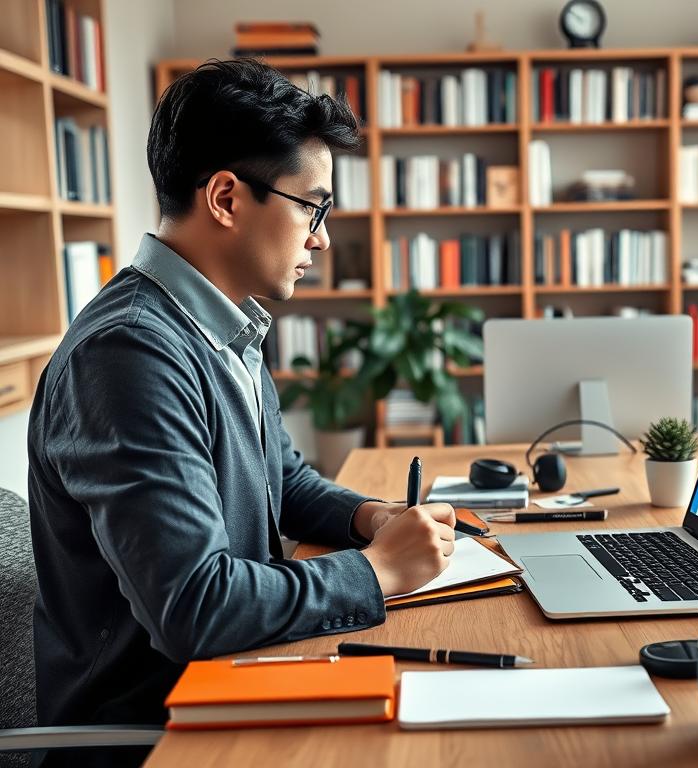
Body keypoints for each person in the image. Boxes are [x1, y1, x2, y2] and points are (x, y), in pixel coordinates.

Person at [27, 59, 456, 767]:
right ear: (226, 198)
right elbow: (195, 607)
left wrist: (366, 520)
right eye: (310, 207)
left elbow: (278, 478)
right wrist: (377, 570)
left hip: (232, 686)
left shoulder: (220, 326)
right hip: (156, 731)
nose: (319, 237)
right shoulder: (129, 354)